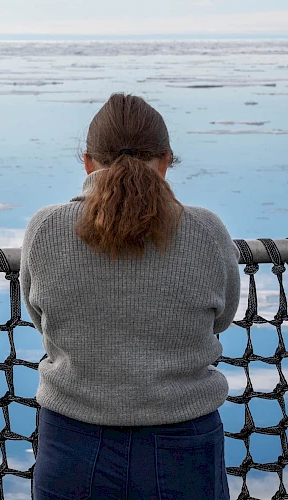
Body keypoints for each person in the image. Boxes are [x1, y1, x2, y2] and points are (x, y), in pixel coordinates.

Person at [20, 93, 238, 500]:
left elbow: (39, 316)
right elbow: (222, 316)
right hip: (184, 441)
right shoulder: (206, 230)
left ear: (87, 161)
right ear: (167, 159)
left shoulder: (46, 228)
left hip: (73, 442)